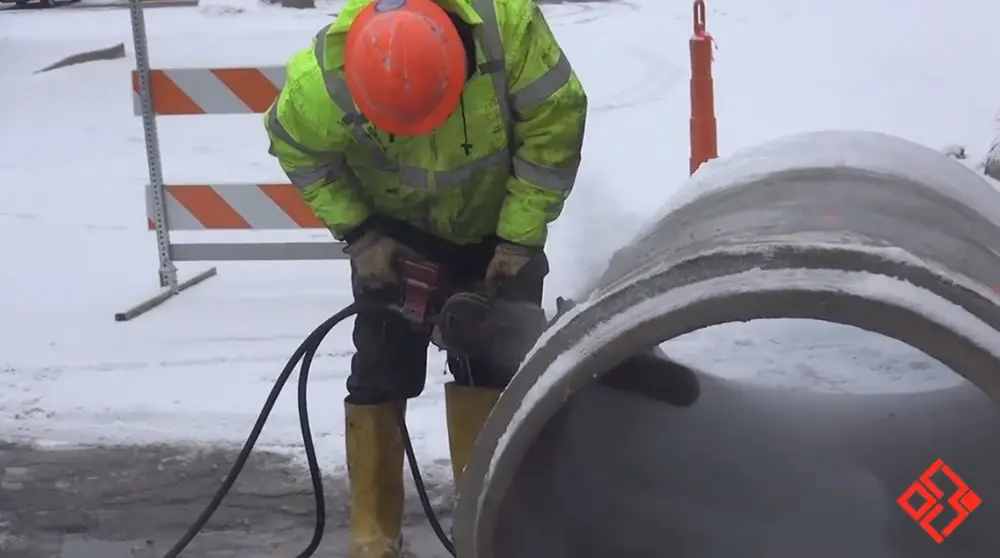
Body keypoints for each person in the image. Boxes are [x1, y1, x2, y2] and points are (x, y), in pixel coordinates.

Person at [264, 0, 586, 555]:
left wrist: (516, 240)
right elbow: (296, 148)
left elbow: (555, 126)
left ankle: (490, 525)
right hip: (393, 237)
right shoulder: (321, 83)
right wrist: (361, 236)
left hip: (499, 227)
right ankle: (373, 536)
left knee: (494, 374)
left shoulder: (510, 31)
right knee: (379, 370)